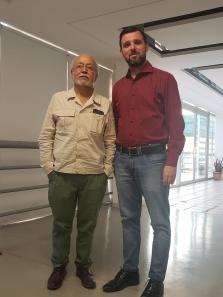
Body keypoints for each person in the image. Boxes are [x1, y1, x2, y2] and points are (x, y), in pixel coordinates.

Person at [103, 27, 185, 297]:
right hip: (123, 160)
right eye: (126, 45)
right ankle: (130, 271)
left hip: (154, 159)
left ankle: (156, 281)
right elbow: (116, 125)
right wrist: (114, 158)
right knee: (128, 219)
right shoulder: (118, 87)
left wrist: (171, 160)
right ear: (121, 51)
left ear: (146, 47)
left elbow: (176, 123)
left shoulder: (165, 80)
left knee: (160, 222)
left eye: (137, 42)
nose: (132, 48)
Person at [38, 54, 116, 291]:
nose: (84, 70)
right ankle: (59, 266)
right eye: (79, 66)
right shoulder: (58, 99)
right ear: (72, 73)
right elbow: (46, 136)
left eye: (90, 67)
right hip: (61, 175)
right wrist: (49, 169)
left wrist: (106, 170)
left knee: (87, 225)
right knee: (61, 225)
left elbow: (111, 140)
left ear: (96, 75)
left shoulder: (104, 104)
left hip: (94, 177)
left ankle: (83, 266)